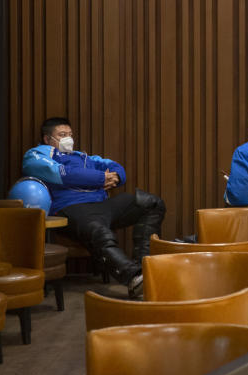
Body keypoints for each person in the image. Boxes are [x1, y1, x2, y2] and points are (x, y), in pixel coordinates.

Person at [22, 117, 166, 298]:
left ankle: (145, 268)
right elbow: (62, 173)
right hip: (72, 207)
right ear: (47, 139)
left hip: (102, 204)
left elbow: (115, 166)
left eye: (70, 134)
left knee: (151, 203)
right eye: (62, 135)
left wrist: (116, 177)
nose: (69, 139)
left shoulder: (83, 157)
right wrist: (100, 178)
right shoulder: (36, 155)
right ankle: (135, 278)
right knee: (100, 233)